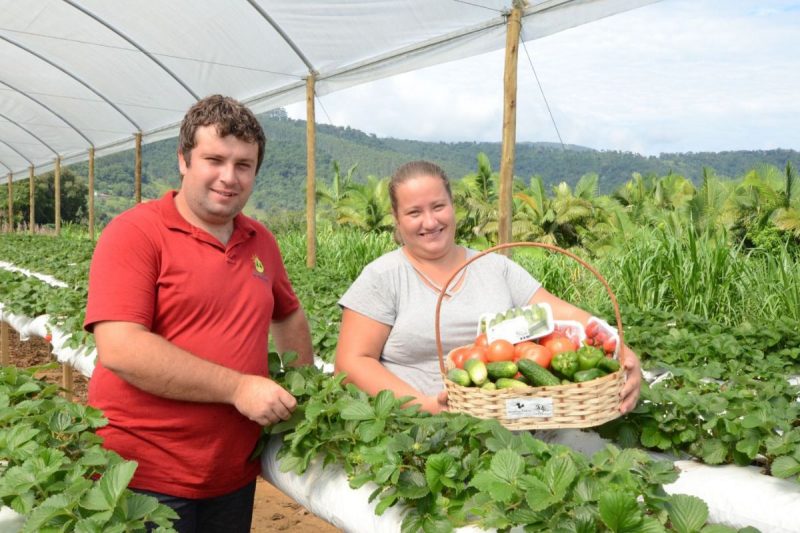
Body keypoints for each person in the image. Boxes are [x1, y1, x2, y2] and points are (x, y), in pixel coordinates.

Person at [84, 94, 313, 532]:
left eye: (244, 165)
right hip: (141, 477)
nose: (229, 177)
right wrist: (238, 388)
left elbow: (288, 315)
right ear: (184, 160)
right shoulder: (136, 233)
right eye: (214, 160)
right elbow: (121, 347)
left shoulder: (259, 239)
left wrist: (300, 390)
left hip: (231, 473)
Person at [335, 160, 641, 415]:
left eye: (438, 206)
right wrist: (427, 406)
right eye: (414, 213)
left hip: (509, 420)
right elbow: (351, 364)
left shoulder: (494, 267)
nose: (429, 222)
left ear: (453, 207)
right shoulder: (383, 276)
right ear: (397, 220)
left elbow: (558, 313)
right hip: (415, 427)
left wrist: (620, 347)